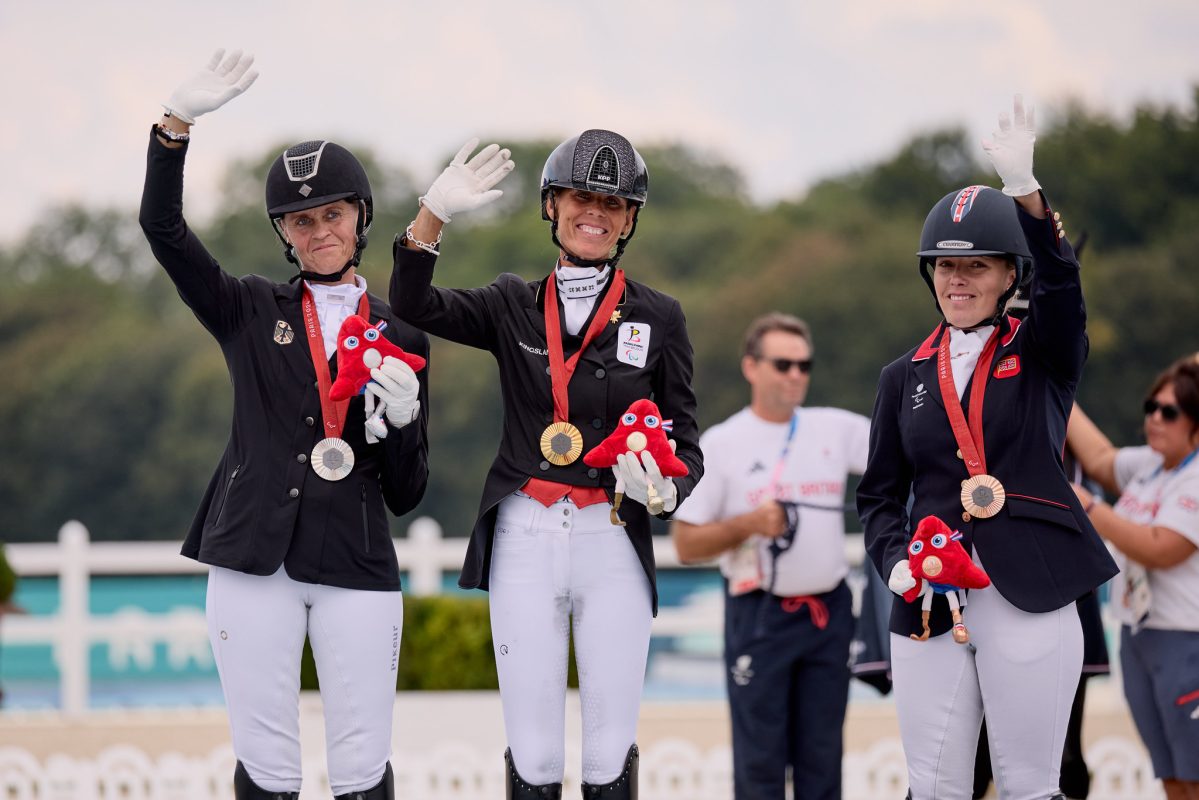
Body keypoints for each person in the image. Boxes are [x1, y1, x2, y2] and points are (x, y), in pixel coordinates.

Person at [139, 50, 430, 800]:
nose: (318, 230)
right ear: (285, 234)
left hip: (356, 563)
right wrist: (175, 128)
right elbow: (162, 228)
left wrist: (399, 419)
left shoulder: (401, 329)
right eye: (301, 220)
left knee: (362, 767)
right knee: (266, 766)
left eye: (331, 214)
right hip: (250, 560)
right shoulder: (246, 308)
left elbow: (406, 491)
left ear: (359, 218)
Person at [390, 130, 703, 798]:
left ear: (629, 219)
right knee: (533, 753)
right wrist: (431, 216)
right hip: (525, 534)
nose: (596, 213)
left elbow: (687, 443)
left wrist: (663, 486)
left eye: (613, 204)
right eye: (581, 197)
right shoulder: (511, 303)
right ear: (552, 206)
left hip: (612, 534)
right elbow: (414, 305)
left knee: (607, 751)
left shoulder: (659, 316)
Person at [856, 96, 1118, 800]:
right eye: (944, 267)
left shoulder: (1042, 356)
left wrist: (1027, 198)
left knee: (1030, 784)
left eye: (976, 266)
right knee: (934, 786)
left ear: (1010, 276)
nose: (957, 278)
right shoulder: (901, 376)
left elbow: (1064, 292)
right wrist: (892, 565)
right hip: (930, 595)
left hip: (1028, 589)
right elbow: (877, 496)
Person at [670, 312, 869, 800]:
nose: (796, 375)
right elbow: (686, 543)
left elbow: (914, 451)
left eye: (805, 365)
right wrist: (749, 525)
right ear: (751, 368)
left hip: (828, 610)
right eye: (783, 364)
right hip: (759, 612)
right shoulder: (721, 443)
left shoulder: (836, 428)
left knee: (823, 759)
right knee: (760, 763)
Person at [1067, 355, 1199, 800]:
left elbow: (1161, 548)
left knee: (1195, 774)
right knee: (1171, 774)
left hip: (1186, 640)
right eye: (1151, 407)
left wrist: (1089, 507)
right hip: (1139, 635)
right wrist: (1047, 383)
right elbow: (1101, 458)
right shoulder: (1153, 462)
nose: (1155, 419)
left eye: (1170, 412)